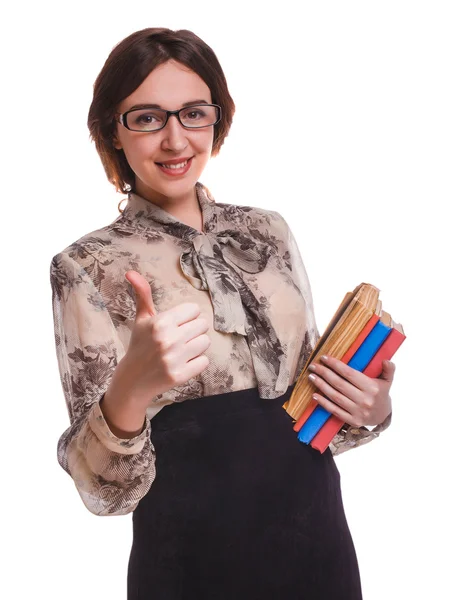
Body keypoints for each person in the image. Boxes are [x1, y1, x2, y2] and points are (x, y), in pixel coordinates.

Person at [50, 27, 395, 599]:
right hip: (189, 562)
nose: (175, 139)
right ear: (113, 130)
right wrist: (130, 394)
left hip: (318, 546)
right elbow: (103, 493)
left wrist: (370, 406)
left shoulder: (269, 232)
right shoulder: (87, 265)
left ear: (218, 117)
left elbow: (314, 415)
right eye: (147, 117)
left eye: (193, 113)